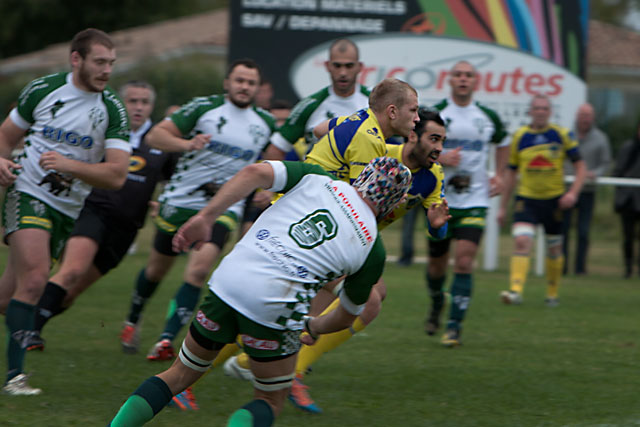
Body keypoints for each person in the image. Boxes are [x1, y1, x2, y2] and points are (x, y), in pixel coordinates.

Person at [108, 156, 413, 427]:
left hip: (228, 283)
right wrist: (313, 325)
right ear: (394, 203)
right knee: (269, 401)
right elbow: (348, 315)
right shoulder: (372, 247)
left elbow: (255, 172)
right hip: (275, 307)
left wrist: (206, 216)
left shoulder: (316, 177)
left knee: (178, 375)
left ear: (363, 177)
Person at [222, 104, 450, 414]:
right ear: (413, 135)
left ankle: (246, 364)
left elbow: (438, 225)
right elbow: (320, 131)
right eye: (434, 139)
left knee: (289, 309)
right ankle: (280, 370)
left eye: (442, 141)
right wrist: (330, 156)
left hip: (355, 241)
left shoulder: (433, 177)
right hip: (332, 233)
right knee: (367, 299)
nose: (439, 148)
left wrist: (438, 228)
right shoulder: (381, 152)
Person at [119, 58, 285, 360]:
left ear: (258, 88)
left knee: (198, 271)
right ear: (227, 83)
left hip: (222, 207)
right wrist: (187, 144)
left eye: (250, 83)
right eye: (239, 80)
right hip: (180, 200)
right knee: (156, 270)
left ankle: (167, 340)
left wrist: (267, 188)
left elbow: (274, 160)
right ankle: (132, 319)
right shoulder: (203, 108)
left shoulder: (266, 123)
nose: (244, 87)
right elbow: (155, 136)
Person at [0, 28, 131, 395]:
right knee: (36, 279)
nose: (107, 70)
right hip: (27, 191)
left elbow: (118, 174)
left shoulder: (112, 109)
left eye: (111, 63)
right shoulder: (43, 90)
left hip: (67, 208)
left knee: (8, 300)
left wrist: (70, 166)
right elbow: (7, 135)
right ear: (77, 59)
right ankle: (15, 378)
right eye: (99, 62)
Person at [22, 81, 178, 351]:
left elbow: (174, 182)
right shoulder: (105, 133)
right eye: (133, 101)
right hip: (94, 211)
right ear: (122, 103)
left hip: (127, 228)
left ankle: (26, 322)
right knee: (71, 271)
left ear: (152, 106)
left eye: (144, 102)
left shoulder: (160, 143)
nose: (138, 107)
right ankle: (28, 332)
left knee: (72, 293)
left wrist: (162, 203)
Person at [425, 60, 509, 347]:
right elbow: (418, 146)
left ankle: (454, 326)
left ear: (476, 81)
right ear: (450, 80)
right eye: (458, 75)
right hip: (441, 200)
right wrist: (440, 156)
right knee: (437, 266)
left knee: (463, 261)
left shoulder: (486, 117)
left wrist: (499, 174)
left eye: (468, 75)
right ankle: (437, 302)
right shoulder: (438, 114)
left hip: (476, 200)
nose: (463, 79)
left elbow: (504, 142)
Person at [497, 94, 586, 306]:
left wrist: (572, 193)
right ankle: (515, 291)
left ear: (550, 112)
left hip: (554, 201)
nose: (540, 112)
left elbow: (581, 167)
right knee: (522, 240)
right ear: (530, 112)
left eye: (544, 108)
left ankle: (552, 294)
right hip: (527, 199)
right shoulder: (520, 136)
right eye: (536, 108)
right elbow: (511, 173)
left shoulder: (561, 135)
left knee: (554, 247)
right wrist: (502, 207)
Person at [268, 38, 370, 158]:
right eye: (337, 66)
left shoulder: (374, 102)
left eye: (349, 66)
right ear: (327, 66)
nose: (343, 72)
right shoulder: (310, 105)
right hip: (319, 174)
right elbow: (276, 148)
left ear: (360, 67)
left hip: (360, 175)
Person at [561, 103, 611, 275]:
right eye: (582, 114)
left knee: (583, 232)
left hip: (588, 191)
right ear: (577, 116)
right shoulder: (566, 135)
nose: (585, 118)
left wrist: (594, 173)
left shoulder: (601, 138)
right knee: (563, 230)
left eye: (588, 115)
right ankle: (562, 268)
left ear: (593, 118)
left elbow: (605, 163)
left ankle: (580, 269)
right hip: (567, 189)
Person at [612, 119, 640, 278]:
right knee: (628, 236)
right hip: (629, 200)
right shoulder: (628, 148)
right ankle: (628, 267)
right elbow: (617, 172)